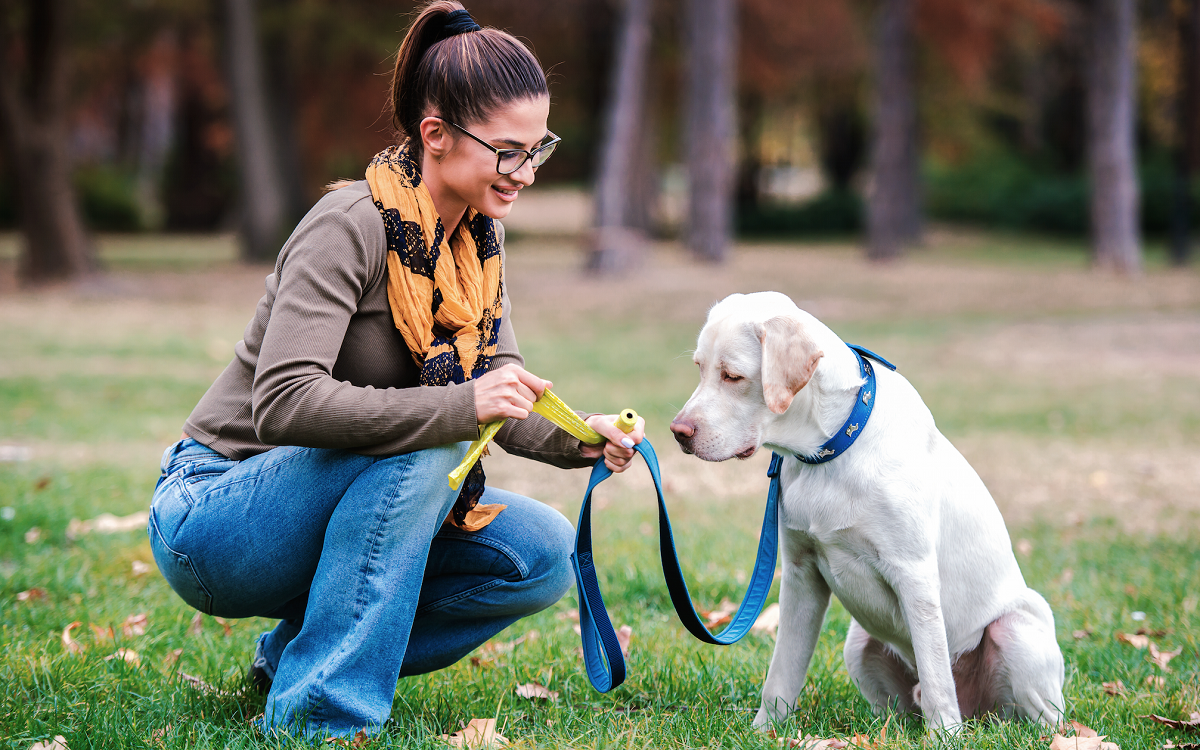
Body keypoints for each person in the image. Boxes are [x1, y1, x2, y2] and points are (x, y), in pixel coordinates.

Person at [147, 1, 644, 738]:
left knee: (537, 557)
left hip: (341, 498)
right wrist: (461, 408)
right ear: (436, 135)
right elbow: (282, 404)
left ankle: (291, 660)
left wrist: (582, 436)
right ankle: (323, 715)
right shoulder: (349, 224)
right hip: (217, 516)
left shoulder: (476, 242)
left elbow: (497, 387)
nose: (527, 174)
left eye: (538, 150)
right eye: (509, 151)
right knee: (435, 437)